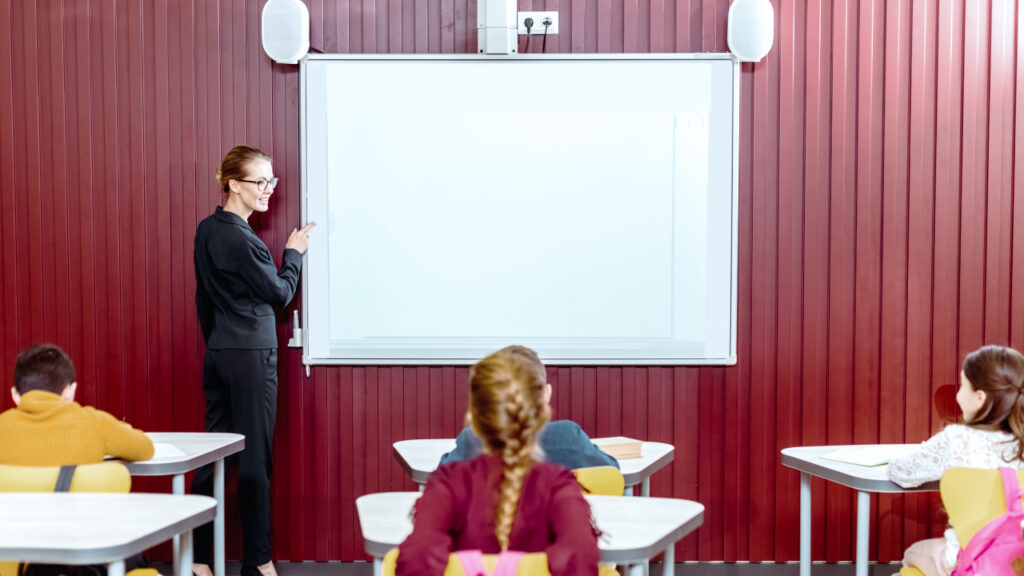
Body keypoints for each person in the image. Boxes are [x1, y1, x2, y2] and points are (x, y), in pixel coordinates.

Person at [190, 145, 315, 576]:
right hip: (251, 356)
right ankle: (259, 561)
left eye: (271, 182)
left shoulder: (206, 231)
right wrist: (294, 253)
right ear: (233, 184)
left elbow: (203, 301)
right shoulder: (243, 239)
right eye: (260, 182)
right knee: (255, 458)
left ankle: (199, 560)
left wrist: (221, 343)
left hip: (221, 352)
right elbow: (280, 294)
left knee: (213, 454)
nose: (268, 191)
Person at [397, 345, 600, 576]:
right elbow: (579, 558)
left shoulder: (448, 483)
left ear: (474, 412)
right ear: (544, 402)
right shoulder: (558, 484)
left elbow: (418, 559)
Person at [888, 345, 1024, 576]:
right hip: (1017, 560)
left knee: (912, 553)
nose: (958, 394)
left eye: (962, 386)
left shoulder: (956, 439)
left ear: (980, 397)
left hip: (965, 558)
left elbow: (901, 472)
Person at [0, 343, 154, 465]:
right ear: (70, 390)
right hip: (75, 505)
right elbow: (146, 449)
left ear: (15, 394)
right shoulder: (95, 424)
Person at [440, 383, 618, 471]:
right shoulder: (570, 438)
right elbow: (613, 472)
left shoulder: (471, 439)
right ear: (546, 393)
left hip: (489, 542)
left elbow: (441, 476)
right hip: (563, 541)